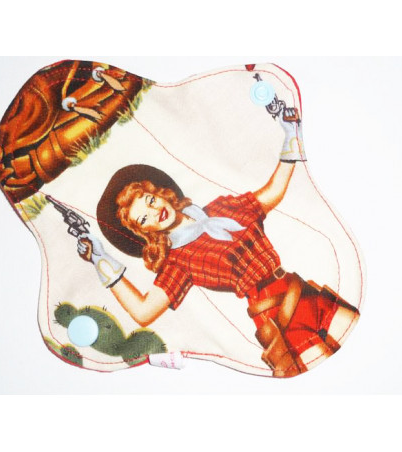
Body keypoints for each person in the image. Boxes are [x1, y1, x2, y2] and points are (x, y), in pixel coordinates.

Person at [77, 108, 359, 377]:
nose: (154, 212)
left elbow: (272, 192)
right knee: (326, 378)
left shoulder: (223, 208)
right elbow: (144, 311)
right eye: (143, 218)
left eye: (150, 200)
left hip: (301, 290)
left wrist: (291, 140)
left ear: (161, 193)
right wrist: (101, 260)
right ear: (144, 233)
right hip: (275, 315)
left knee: (360, 340)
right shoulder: (178, 261)